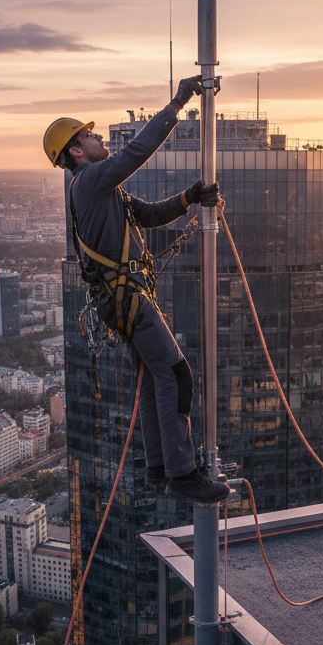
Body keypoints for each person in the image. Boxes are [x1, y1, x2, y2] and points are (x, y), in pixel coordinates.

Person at [42, 77, 229, 504]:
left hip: (120, 300)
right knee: (176, 374)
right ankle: (183, 473)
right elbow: (136, 152)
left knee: (152, 380)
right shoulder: (88, 181)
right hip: (128, 299)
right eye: (89, 135)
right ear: (75, 150)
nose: (97, 136)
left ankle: (160, 467)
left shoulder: (101, 189)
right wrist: (179, 101)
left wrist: (189, 198)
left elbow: (146, 215)